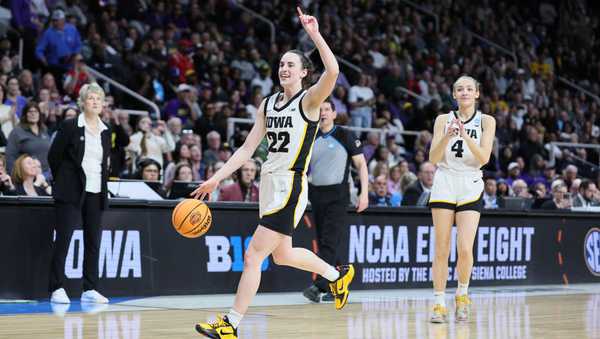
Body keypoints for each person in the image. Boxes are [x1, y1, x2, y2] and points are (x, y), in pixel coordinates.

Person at [192, 8, 354, 339]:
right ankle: (338, 276)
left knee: (253, 255)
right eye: (281, 64)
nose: (283, 68)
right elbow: (247, 148)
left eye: (290, 64)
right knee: (282, 255)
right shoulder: (268, 104)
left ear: (304, 73)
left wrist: (315, 36)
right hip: (269, 184)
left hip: (290, 185)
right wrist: (216, 178)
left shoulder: (310, 102)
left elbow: (334, 70)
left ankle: (230, 324)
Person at [427, 75, 496, 323]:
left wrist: (465, 135)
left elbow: (483, 158)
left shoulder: (487, 121)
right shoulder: (442, 120)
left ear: (477, 93)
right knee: (441, 248)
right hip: (445, 181)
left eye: (469, 88)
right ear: (454, 94)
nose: (464, 92)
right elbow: (433, 158)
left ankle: (462, 295)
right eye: (459, 89)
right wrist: (448, 135)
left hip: (470, 182)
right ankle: (438, 303)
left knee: (465, 248)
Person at [47, 83, 111, 305]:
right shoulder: (70, 125)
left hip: (95, 191)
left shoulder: (106, 131)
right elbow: (54, 156)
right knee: (63, 239)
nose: (95, 101)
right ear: (82, 102)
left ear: (103, 104)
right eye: (90, 98)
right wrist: (64, 180)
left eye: (98, 99)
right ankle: (57, 287)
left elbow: (105, 163)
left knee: (93, 241)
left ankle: (90, 288)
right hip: (71, 191)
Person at [302, 99, 369, 303]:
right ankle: (337, 285)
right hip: (316, 194)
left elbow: (361, 165)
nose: (322, 113)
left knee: (329, 242)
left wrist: (364, 193)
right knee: (327, 242)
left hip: (338, 195)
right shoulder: (309, 136)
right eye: (319, 109)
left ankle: (318, 286)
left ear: (333, 114)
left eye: (326, 109)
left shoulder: (345, 135)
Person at [6, 101, 51, 174]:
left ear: (39, 114)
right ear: (25, 115)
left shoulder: (44, 130)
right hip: (27, 176)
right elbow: (10, 156)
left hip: (47, 175)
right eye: (30, 112)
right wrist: (13, 176)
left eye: (36, 111)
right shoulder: (17, 132)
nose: (33, 114)